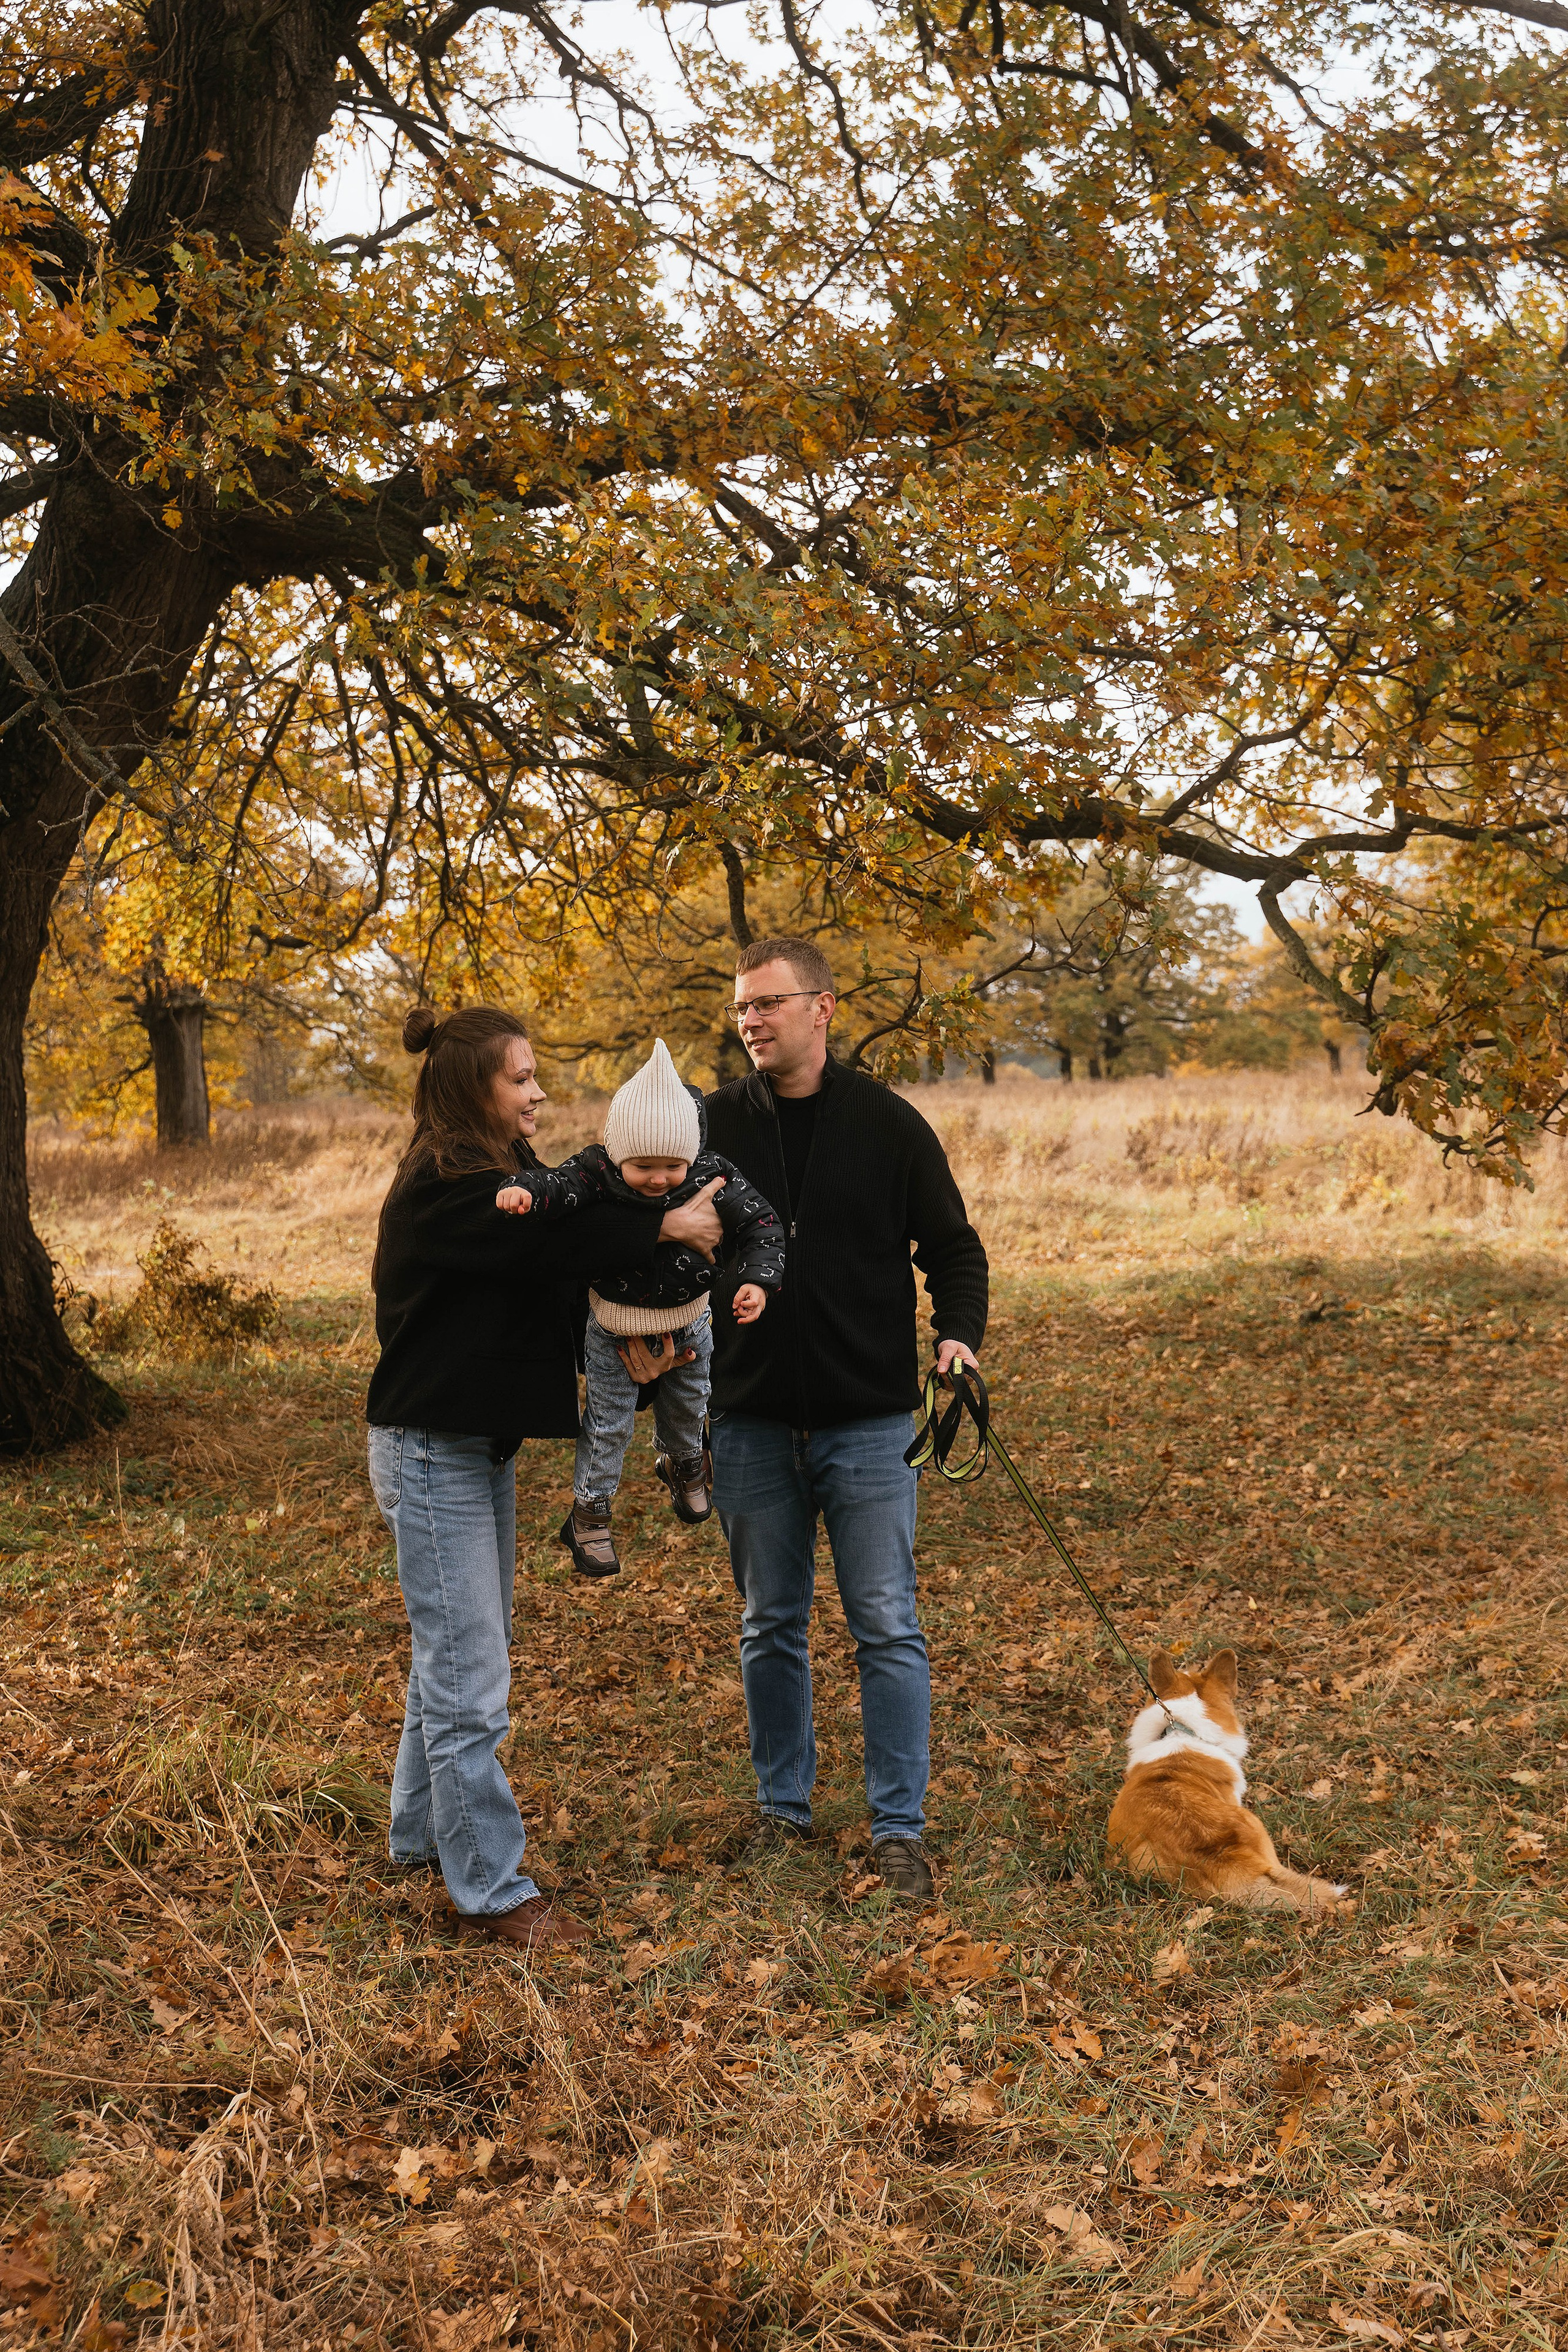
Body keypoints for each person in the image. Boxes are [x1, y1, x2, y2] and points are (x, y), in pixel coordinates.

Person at [366, 1005, 723, 1951]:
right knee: (468, 1677)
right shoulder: (446, 1186)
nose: (538, 1093)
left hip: (474, 1447)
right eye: (520, 1078)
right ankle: (490, 1889)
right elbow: (548, 1246)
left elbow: (561, 1284)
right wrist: (665, 1222)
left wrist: (629, 1346)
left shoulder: (513, 1178)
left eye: (536, 1076)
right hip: (429, 1446)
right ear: (471, 1086)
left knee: (454, 1660)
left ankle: (415, 1843)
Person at [677, 935, 987, 1901]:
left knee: (886, 1625)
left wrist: (958, 1339)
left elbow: (955, 1251)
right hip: (750, 1420)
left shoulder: (889, 1125)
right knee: (771, 1622)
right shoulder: (709, 1128)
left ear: (823, 1008)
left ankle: (899, 1830)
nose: (751, 1022)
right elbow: (659, 1251)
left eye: (768, 1005)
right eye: (740, 1010)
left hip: (867, 1423)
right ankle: (784, 1811)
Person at [494, 1037, 785, 1575]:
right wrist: (526, 1190)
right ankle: (590, 1512)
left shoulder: (711, 1174)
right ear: (617, 1153)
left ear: (692, 1154)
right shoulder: (598, 1171)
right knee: (607, 1426)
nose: (659, 1179)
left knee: (691, 1404)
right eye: (643, 1167)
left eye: (673, 1166)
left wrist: (759, 1282)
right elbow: (560, 1185)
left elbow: (761, 1225)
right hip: (612, 1324)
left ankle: (685, 1462)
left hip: (690, 1319)